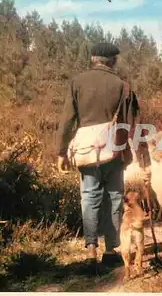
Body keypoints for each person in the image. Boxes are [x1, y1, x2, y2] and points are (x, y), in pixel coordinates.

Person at [56, 42, 151, 267]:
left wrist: (61, 151)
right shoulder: (122, 86)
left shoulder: (77, 83)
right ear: (113, 61)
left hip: (86, 152)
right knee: (114, 199)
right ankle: (111, 250)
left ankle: (90, 251)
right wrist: (144, 160)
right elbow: (135, 126)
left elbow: (67, 120)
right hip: (115, 152)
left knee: (89, 198)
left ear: (92, 59)